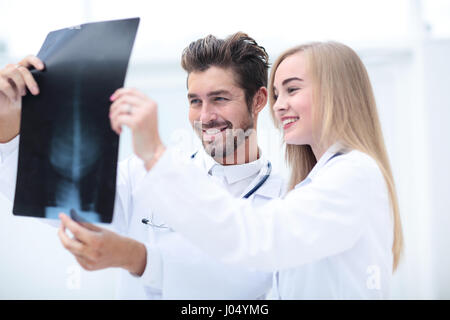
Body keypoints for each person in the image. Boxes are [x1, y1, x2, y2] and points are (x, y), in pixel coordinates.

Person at [111, 41, 405, 299]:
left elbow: (254, 236)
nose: (279, 106)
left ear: (336, 94)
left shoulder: (353, 174)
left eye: (292, 89)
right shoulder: (310, 185)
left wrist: (155, 155)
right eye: (279, 94)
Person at [0, 33, 284, 299]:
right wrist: (8, 125)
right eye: (195, 101)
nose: (206, 116)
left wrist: (137, 257)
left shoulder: (287, 198)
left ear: (258, 100)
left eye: (219, 99)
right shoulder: (141, 175)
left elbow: (245, 281)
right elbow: (45, 198)